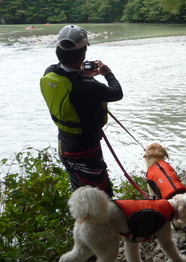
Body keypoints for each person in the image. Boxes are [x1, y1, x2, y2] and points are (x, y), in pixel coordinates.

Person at [40, 25, 123, 197]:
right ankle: (102, 223)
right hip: (85, 147)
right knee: (101, 194)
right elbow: (116, 93)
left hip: (64, 144)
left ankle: (82, 221)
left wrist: (82, 74)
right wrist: (107, 73)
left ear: (58, 50)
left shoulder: (50, 72)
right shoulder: (85, 85)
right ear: (83, 53)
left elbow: (71, 88)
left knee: (80, 192)